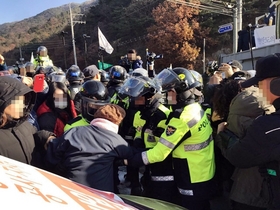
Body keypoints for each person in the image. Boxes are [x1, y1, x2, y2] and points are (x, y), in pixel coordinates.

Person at [127, 67, 216, 210]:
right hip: (203, 170)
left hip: (191, 175)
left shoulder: (181, 119)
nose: (166, 96)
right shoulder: (195, 108)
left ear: (178, 92)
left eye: (168, 92)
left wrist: (129, 159)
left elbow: (159, 153)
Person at [217, 53, 280, 210]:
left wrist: (222, 134)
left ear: (276, 85)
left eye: (260, 84)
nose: (258, 90)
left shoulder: (269, 125)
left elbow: (239, 156)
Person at [45, 104, 136, 193]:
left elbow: (54, 153)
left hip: (69, 187)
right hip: (101, 194)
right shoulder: (117, 141)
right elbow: (132, 155)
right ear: (117, 123)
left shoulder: (75, 131)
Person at [119, 75, 179, 203]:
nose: (133, 102)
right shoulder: (140, 115)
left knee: (163, 201)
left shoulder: (164, 116)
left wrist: (131, 160)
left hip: (165, 170)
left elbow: (163, 150)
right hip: (148, 167)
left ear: (149, 97)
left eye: (137, 98)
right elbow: (138, 135)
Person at [0, 76, 54, 166]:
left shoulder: (22, 123)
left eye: (24, 101)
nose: (23, 106)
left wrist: (47, 138)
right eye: (17, 101)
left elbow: (35, 134)